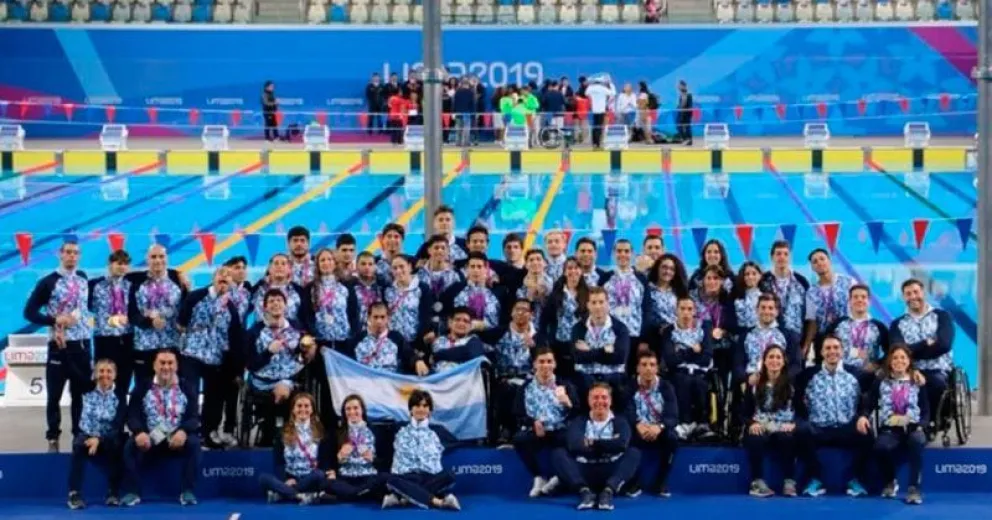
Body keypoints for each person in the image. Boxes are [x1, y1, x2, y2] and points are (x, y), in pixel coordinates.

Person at [23, 241, 93, 453]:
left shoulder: (83, 278)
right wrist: (54, 320)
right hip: (58, 346)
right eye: (68, 253)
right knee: (54, 395)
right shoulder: (47, 282)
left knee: (80, 394)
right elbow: (29, 313)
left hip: (81, 345)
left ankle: (79, 435)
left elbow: (82, 308)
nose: (72, 256)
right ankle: (53, 437)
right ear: (60, 255)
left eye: (76, 253)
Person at [794, 335, 871, 497]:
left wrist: (863, 415)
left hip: (847, 428)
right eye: (828, 348)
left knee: (867, 433)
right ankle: (816, 479)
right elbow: (796, 400)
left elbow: (870, 396)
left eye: (836, 347)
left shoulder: (857, 374)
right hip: (818, 429)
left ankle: (854, 480)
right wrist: (803, 419)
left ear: (842, 351)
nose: (832, 351)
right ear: (821, 352)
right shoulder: (807, 375)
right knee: (801, 430)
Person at [122, 349, 200, 507]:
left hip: (176, 435)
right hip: (151, 436)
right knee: (130, 446)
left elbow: (194, 417)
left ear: (176, 366)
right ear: (154, 365)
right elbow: (132, 414)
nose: (166, 367)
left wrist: (183, 431)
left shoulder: (187, 386)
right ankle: (133, 492)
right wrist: (139, 432)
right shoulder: (143, 386)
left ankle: (187, 491)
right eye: (162, 363)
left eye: (170, 363)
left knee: (194, 444)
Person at [176, 266, 243, 449]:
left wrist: (236, 368)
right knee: (190, 394)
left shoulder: (231, 307)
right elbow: (181, 323)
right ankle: (187, 432)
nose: (225, 278)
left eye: (228, 276)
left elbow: (234, 338)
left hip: (215, 359)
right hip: (192, 354)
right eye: (221, 274)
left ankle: (208, 434)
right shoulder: (196, 296)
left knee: (214, 399)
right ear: (213, 278)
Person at [552, 383, 641, 510]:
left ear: (610, 400)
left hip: (611, 469)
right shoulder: (579, 421)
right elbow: (574, 445)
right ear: (589, 400)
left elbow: (621, 445)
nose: (600, 401)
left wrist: (592, 443)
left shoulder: (620, 420)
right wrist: (608, 445)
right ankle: (584, 492)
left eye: (604, 397)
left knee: (634, 453)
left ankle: (608, 492)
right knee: (558, 454)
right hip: (584, 469)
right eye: (595, 397)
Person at [246, 289, 318, 445]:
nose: (275, 303)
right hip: (263, 381)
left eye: (279, 300)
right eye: (271, 301)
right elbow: (251, 365)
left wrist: (307, 351)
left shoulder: (297, 327)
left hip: (290, 379)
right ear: (265, 307)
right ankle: (272, 438)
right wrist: (268, 352)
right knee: (279, 396)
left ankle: (286, 438)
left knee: (287, 394)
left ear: (285, 305)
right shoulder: (254, 332)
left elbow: (302, 357)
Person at [862, 344, 928, 504]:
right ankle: (890, 481)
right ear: (890, 361)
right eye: (895, 358)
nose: (899, 361)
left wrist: (921, 425)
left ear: (909, 361)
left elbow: (926, 408)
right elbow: (869, 403)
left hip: (912, 427)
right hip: (890, 429)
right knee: (880, 447)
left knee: (917, 441)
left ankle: (914, 488)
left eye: (903, 357)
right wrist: (863, 416)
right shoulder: (881, 381)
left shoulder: (917, 380)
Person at [512, 347, 578, 497]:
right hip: (537, 430)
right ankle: (538, 477)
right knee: (519, 439)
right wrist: (532, 422)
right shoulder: (526, 387)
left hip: (560, 429)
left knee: (569, 440)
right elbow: (518, 412)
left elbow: (577, 412)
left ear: (554, 364)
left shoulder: (565, 384)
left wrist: (568, 403)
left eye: (549, 361)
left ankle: (559, 477)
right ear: (534, 364)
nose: (545, 365)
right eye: (541, 362)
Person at [889, 279, 954, 430]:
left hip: (938, 368)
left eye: (916, 292)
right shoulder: (897, 324)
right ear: (903, 297)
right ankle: (904, 424)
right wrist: (925, 343)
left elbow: (944, 345)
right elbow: (896, 350)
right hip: (909, 369)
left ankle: (932, 422)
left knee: (935, 383)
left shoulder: (942, 316)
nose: (913, 297)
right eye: (908, 294)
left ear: (923, 293)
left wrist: (910, 350)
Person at [383, 390, 461, 510]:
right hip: (406, 476)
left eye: (425, 406)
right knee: (390, 479)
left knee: (449, 476)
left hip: (430, 476)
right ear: (410, 409)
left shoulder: (438, 431)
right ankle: (438, 502)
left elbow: (457, 443)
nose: (421, 409)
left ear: (430, 410)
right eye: (417, 405)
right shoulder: (399, 428)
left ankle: (403, 497)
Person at [67, 359, 127, 510]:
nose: (104, 375)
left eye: (109, 371)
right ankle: (75, 493)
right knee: (78, 445)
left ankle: (113, 492)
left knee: (117, 444)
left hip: (109, 436)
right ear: (95, 374)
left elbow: (118, 424)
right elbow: (83, 419)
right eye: (101, 371)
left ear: (115, 375)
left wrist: (99, 439)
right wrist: (92, 437)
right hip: (87, 434)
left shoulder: (120, 395)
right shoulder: (85, 391)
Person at [742, 346, 798, 498]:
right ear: (764, 361)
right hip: (761, 425)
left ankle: (789, 481)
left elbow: (801, 411)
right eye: (771, 357)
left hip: (783, 426)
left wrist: (794, 424)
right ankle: (757, 482)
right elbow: (745, 412)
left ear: (783, 361)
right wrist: (751, 423)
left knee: (787, 437)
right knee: (755, 436)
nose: (775, 360)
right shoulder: (754, 384)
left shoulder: (792, 384)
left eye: (778, 357)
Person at [259, 392, 335, 504]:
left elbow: (324, 461)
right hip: (291, 478)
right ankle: (302, 496)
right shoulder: (282, 433)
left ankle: (283, 494)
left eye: (306, 406)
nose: (302, 409)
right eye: (299, 406)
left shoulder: (321, 433)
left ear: (312, 409)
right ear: (293, 410)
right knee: (263, 478)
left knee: (319, 475)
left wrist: (325, 472)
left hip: (310, 478)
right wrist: (286, 479)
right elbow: (279, 461)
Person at [127, 245, 187, 385]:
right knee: (143, 389)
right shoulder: (136, 282)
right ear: (147, 260)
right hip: (145, 346)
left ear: (167, 259)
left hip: (172, 345)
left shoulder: (178, 280)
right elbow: (132, 314)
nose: (157, 260)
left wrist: (183, 325)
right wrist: (149, 322)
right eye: (153, 257)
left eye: (161, 256)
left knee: (173, 389)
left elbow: (186, 310)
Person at [660, 297, 715, 440]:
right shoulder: (669, 331)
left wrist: (681, 352)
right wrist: (692, 350)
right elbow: (671, 360)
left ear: (695, 311)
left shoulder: (703, 328)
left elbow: (706, 358)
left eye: (689, 309)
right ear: (676, 311)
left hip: (700, 373)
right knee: (682, 380)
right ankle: (685, 424)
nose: (686, 313)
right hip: (678, 373)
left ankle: (702, 424)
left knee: (699, 383)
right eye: (682, 309)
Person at [625, 351, 678, 497]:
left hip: (659, 429)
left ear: (657, 369)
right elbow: (625, 412)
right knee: (625, 438)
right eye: (644, 365)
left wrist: (659, 427)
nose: (648, 368)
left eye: (652, 365)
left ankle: (660, 482)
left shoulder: (666, 387)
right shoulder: (629, 387)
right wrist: (637, 424)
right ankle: (634, 482)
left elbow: (673, 416)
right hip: (637, 428)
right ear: (637, 368)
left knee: (672, 438)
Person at [88, 249, 134, 405]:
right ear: (110, 264)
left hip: (127, 339)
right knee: (103, 381)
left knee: (123, 383)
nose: (122, 267)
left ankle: (119, 425)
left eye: (125, 264)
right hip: (104, 340)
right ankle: (100, 420)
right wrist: (113, 320)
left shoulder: (131, 285)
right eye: (119, 263)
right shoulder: (95, 285)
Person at [571, 287, 631, 403]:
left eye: (601, 302)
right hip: (585, 378)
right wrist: (604, 350)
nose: (598, 306)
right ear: (588, 305)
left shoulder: (620, 328)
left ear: (608, 304)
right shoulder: (578, 328)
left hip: (613, 378)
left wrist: (590, 350)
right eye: (594, 302)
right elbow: (578, 357)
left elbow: (619, 358)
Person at [325, 394, 388, 501]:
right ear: (344, 413)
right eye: (348, 409)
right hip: (345, 478)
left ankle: (352, 495)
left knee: (385, 477)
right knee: (326, 482)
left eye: (355, 408)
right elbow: (330, 460)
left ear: (362, 410)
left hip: (368, 477)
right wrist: (339, 457)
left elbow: (385, 461)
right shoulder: (337, 433)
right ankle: (361, 494)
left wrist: (373, 459)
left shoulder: (375, 431)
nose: (352, 412)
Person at [826, 284, 890, 388]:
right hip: (841, 377)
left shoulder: (879, 326)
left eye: (863, 297)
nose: (859, 300)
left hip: (867, 377)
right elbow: (825, 347)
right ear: (850, 301)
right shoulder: (838, 324)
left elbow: (890, 351)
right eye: (855, 297)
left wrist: (878, 364)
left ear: (869, 301)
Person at [542, 257, 589, 378]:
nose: (573, 271)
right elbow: (545, 319)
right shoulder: (556, 294)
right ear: (564, 272)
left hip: (580, 344)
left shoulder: (588, 293)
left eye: (576, 268)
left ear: (581, 271)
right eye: (569, 268)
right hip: (559, 345)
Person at [345, 301, 414, 374]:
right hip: (363, 381)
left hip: (389, 382)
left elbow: (409, 354)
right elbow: (346, 362)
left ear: (388, 318)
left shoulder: (396, 338)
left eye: (382, 317)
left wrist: (417, 362)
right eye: (375, 317)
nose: (379, 321)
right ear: (369, 318)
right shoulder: (357, 339)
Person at [426, 307, 486, 374]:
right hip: (435, 380)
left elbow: (470, 353)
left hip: (463, 381)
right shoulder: (437, 341)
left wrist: (436, 356)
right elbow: (428, 362)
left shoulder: (474, 340)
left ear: (470, 326)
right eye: (457, 320)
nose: (461, 324)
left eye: (466, 321)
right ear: (450, 323)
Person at [675, 80, 693, 145]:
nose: (677, 87)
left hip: (685, 112)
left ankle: (687, 140)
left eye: (679, 85)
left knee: (684, 126)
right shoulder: (683, 93)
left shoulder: (686, 93)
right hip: (684, 112)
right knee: (681, 126)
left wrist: (679, 108)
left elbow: (683, 103)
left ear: (682, 86)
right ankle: (686, 139)